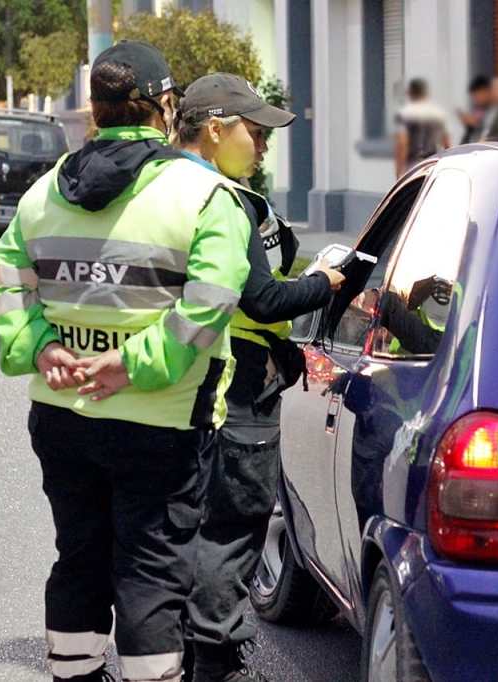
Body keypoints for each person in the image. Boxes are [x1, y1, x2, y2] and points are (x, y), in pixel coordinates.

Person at [0, 41, 256, 682]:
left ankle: (74, 674)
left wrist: (42, 347)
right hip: (163, 422)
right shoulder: (206, 196)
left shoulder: (44, 194)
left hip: (62, 414)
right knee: (149, 570)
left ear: (95, 111)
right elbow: (210, 304)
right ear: (166, 106)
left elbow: (5, 285)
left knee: (79, 556)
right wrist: (132, 366)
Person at [172, 72, 345, 682]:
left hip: (167, 384)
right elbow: (261, 299)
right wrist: (324, 284)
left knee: (180, 525)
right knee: (232, 526)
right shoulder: (223, 200)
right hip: (234, 386)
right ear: (216, 129)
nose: (265, 145)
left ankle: (176, 652)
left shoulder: (158, 189)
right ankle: (214, 659)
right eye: (256, 131)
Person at [394, 78, 450, 177]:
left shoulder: (405, 114)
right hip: (434, 164)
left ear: (410, 93)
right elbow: (447, 143)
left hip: (413, 166)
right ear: (426, 93)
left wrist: (399, 172)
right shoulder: (439, 114)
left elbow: (402, 144)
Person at [458, 75, 493, 144]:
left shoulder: (495, 111)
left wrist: (476, 124)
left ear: (487, 91)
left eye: (477, 95)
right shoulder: (476, 110)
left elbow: (491, 133)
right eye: (473, 96)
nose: (475, 99)